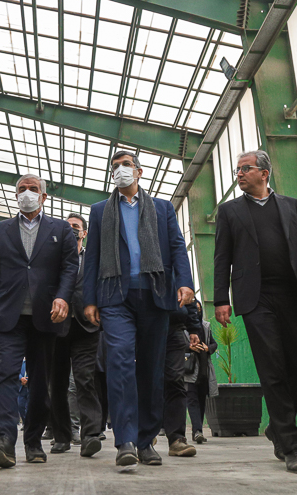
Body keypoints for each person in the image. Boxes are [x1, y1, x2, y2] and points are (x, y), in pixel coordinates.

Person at [214, 150, 297, 474]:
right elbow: (221, 258)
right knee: (272, 367)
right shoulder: (229, 211)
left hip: (291, 294)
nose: (239, 174)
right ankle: (292, 447)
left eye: (245, 168)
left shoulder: (291, 206)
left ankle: (278, 426)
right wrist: (220, 299)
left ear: (264, 173)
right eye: (237, 170)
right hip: (255, 299)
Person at [83, 150, 195, 467]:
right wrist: (89, 299)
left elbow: (177, 246)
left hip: (155, 295)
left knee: (151, 369)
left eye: (126, 165)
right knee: (119, 362)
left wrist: (185, 282)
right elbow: (92, 256)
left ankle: (146, 441)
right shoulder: (100, 211)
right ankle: (126, 441)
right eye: (115, 167)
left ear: (139, 172)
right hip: (115, 297)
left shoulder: (162, 208)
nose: (120, 170)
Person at [0, 173, 79, 468]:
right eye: (22, 189)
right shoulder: (0, 230)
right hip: (7, 317)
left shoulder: (61, 229)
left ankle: (33, 441)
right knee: (4, 375)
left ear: (44, 196)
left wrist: (63, 297)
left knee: (40, 383)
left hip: (46, 317)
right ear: (16, 195)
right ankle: (3, 441)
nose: (27, 193)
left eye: (33, 189)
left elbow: (70, 268)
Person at [48, 213, 104, 457]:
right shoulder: (53, 257)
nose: (71, 229)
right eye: (67, 226)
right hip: (57, 327)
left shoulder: (93, 259)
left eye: (75, 226)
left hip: (86, 328)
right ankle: (61, 437)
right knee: (57, 384)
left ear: (84, 233)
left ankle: (90, 435)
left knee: (85, 379)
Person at [162, 295, 202, 457]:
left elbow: (187, 292)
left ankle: (177, 439)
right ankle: (144, 436)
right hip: (145, 323)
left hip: (174, 325)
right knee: (146, 380)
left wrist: (193, 328)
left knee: (176, 379)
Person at [185, 302, 218, 444]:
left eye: (198, 310)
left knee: (202, 400)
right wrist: (189, 347)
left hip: (204, 370)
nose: (196, 313)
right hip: (190, 369)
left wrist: (207, 348)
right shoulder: (183, 327)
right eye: (194, 310)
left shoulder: (206, 326)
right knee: (192, 401)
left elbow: (214, 344)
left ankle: (198, 432)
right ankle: (197, 430)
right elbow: (176, 344)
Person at [18, 359, 29, 425]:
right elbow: (16, 371)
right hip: (22, 388)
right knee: (20, 406)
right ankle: (25, 423)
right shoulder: (21, 362)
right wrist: (21, 378)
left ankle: (28, 424)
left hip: (30, 387)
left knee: (28, 408)